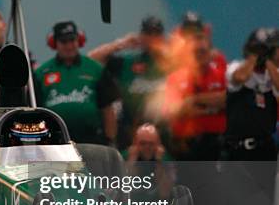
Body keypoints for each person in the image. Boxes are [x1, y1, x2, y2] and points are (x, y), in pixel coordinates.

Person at [34, 21, 119, 145]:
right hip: (54, 143)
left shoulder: (95, 69)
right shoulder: (41, 74)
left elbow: (108, 109)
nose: (69, 46)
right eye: (64, 42)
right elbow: (35, 112)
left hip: (92, 142)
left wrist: (110, 141)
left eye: (72, 40)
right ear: (54, 43)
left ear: (79, 41)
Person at [89, 15, 166, 151]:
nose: (152, 38)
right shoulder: (128, 62)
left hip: (164, 134)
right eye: (148, 33)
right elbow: (90, 60)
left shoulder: (173, 62)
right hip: (130, 132)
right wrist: (121, 44)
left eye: (156, 33)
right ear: (141, 36)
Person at [163, 13, 226, 161]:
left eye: (197, 33)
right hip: (185, 139)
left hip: (215, 138)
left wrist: (195, 100)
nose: (193, 38)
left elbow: (226, 96)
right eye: (188, 32)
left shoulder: (217, 59)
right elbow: (171, 108)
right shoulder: (173, 61)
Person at [225, 27, 279, 161]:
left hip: (265, 150)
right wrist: (254, 57)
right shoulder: (236, 67)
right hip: (238, 150)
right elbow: (240, 77)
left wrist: (268, 61)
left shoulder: (273, 75)